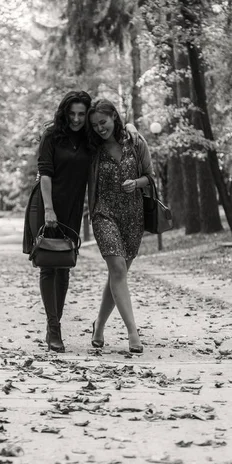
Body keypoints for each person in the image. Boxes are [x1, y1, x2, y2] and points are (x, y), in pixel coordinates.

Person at [23, 91, 138, 353]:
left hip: (73, 208)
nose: (76, 119)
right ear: (64, 112)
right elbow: (45, 173)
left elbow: (113, 131)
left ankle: (56, 322)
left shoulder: (89, 139)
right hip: (47, 204)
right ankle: (54, 329)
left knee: (63, 265)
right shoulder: (52, 135)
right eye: (71, 113)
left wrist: (130, 126)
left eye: (81, 114)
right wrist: (50, 210)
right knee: (48, 265)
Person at [87, 99, 154, 354]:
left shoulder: (136, 142)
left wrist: (136, 183)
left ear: (114, 117)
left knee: (118, 275)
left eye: (103, 122)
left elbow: (150, 177)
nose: (99, 128)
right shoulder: (92, 149)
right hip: (104, 213)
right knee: (117, 268)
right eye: (94, 125)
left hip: (133, 217)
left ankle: (99, 327)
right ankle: (132, 333)